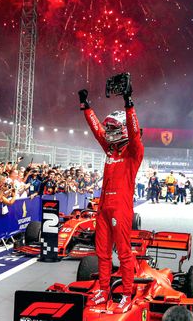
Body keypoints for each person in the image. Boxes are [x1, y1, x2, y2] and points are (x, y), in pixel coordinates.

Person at [78, 78, 144, 313]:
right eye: (111, 129)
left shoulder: (133, 152)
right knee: (102, 253)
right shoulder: (109, 149)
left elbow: (134, 132)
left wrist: (129, 102)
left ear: (124, 129)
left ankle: (126, 294)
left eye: (115, 129)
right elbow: (97, 129)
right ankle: (103, 290)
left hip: (121, 208)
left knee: (124, 253)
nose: (111, 132)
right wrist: (87, 107)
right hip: (104, 208)